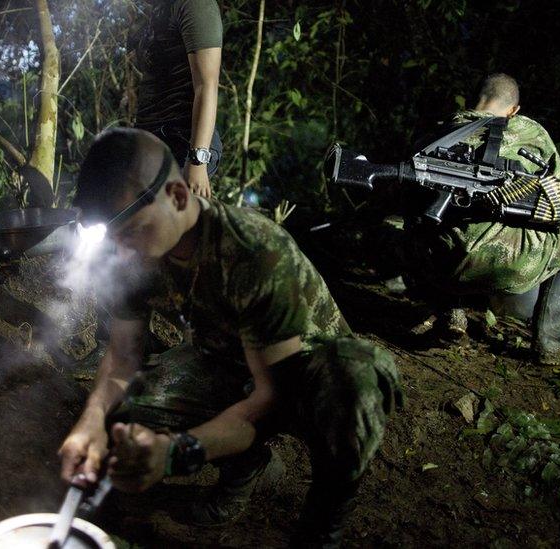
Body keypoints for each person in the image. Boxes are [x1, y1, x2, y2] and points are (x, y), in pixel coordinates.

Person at [58, 128, 401, 547]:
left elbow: (268, 401)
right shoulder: (127, 249)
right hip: (226, 360)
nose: (122, 252)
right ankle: (247, 466)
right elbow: (122, 357)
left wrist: (173, 453)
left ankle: (321, 525)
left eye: (131, 232)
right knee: (130, 415)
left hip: (302, 375)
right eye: (113, 238)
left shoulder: (254, 252)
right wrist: (90, 424)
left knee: (356, 379)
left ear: (178, 197)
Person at [406, 73, 560, 364]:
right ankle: (552, 342)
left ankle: (449, 311)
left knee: (420, 227)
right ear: (514, 110)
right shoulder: (531, 132)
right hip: (511, 261)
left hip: (437, 263)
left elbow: (403, 202)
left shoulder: (434, 135)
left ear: (474, 99)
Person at [134, 0, 222, 198]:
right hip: (150, 137)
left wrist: (197, 160)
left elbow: (207, 84)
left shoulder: (195, 4)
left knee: (159, 222)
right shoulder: (158, 10)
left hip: (180, 140)